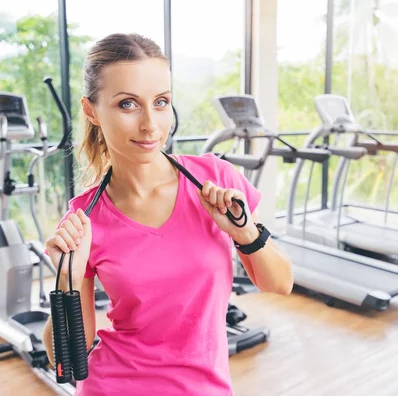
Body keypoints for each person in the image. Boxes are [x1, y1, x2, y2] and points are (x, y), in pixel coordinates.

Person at [42, 33, 293, 396]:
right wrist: (67, 277)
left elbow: (280, 283)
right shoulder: (84, 219)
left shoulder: (215, 180)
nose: (150, 125)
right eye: (128, 104)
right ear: (91, 111)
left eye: (160, 102)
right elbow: (66, 361)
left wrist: (245, 233)